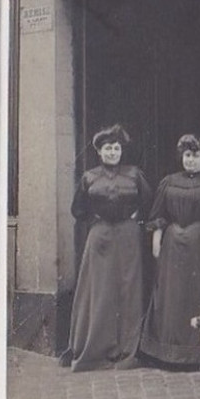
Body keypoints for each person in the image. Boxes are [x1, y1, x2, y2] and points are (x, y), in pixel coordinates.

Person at [140, 134, 200, 367]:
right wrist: (156, 240)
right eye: (187, 155)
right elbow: (158, 215)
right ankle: (169, 353)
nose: (191, 160)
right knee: (172, 293)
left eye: (196, 156)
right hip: (173, 246)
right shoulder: (168, 182)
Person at [62, 124, 152, 373]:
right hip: (100, 236)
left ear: (121, 151)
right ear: (99, 152)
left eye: (116, 148)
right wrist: (95, 221)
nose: (112, 153)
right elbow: (77, 209)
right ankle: (96, 347)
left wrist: (136, 219)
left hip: (128, 235)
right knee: (99, 289)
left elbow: (148, 201)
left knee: (128, 289)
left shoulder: (134, 174)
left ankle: (125, 349)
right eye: (107, 149)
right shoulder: (90, 176)